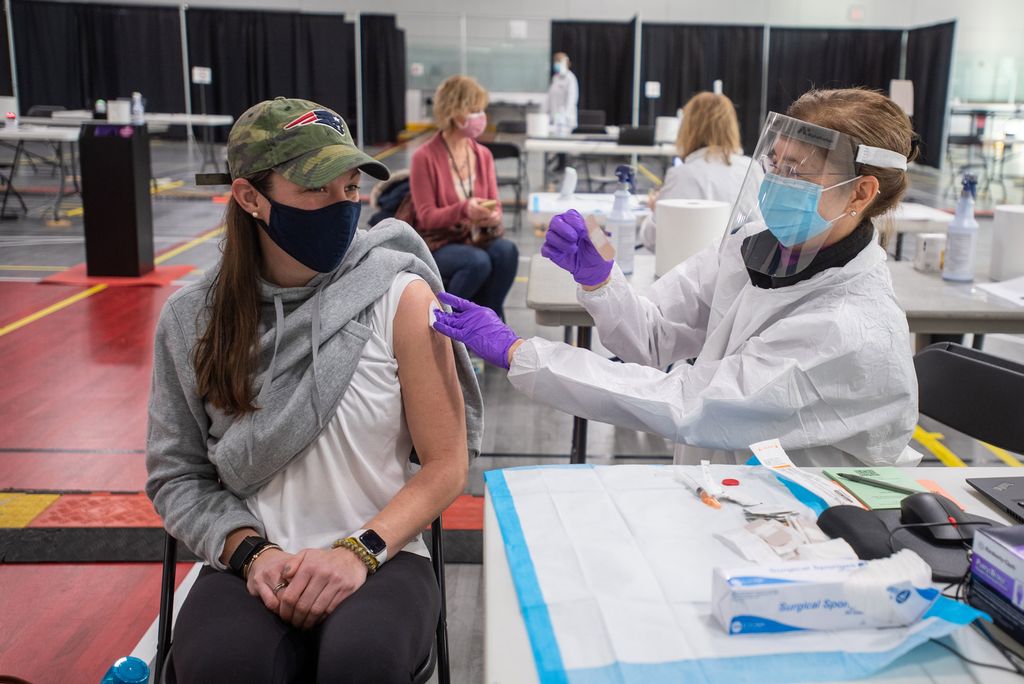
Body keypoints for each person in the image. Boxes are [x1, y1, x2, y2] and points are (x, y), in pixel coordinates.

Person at [145, 97, 483, 682]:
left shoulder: (401, 298)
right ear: (251, 197)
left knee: (362, 663)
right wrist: (253, 553)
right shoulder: (192, 317)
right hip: (249, 563)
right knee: (223, 667)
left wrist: (357, 552)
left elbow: (447, 464)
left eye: (350, 188)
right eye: (317, 190)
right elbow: (176, 474)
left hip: (383, 555)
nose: (342, 206)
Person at [433, 88, 923, 468]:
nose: (776, 182)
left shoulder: (850, 326)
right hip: (734, 490)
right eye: (775, 164)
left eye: (798, 172)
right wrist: (602, 281)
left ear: (860, 193)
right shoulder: (753, 246)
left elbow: (691, 402)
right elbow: (653, 337)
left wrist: (525, 353)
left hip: (817, 520)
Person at [410, 75, 519, 321]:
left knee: (507, 251)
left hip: (477, 237)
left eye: (482, 110)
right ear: (455, 112)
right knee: (477, 262)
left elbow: (496, 204)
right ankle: (446, 321)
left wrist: (492, 217)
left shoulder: (482, 155)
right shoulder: (424, 157)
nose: (481, 117)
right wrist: (464, 210)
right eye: (475, 110)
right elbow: (426, 218)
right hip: (440, 241)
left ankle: (489, 321)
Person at [640, 92, 751, 251]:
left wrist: (655, 209)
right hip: (745, 269)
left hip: (695, 269)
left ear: (687, 128)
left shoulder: (683, 174)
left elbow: (654, 241)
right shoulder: (752, 168)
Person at [546, 52, 579, 134]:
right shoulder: (555, 78)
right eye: (555, 61)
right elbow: (550, 98)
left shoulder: (570, 78)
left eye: (558, 61)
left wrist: (565, 116)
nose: (556, 64)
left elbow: (572, 100)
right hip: (554, 119)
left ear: (564, 63)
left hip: (567, 121)